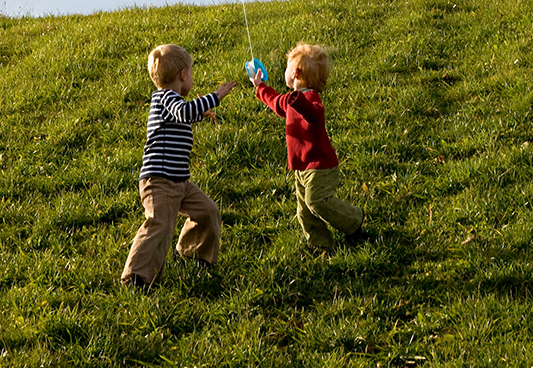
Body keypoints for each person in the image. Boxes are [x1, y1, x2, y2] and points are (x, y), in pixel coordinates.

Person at [121, 44, 237, 288]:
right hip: (159, 181)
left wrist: (200, 113)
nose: (191, 78)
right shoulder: (165, 98)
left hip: (180, 182)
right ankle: (136, 277)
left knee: (207, 210)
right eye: (191, 74)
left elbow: (182, 114)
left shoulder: (171, 103)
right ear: (183, 75)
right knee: (160, 224)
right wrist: (215, 97)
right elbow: (182, 111)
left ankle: (192, 254)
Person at [250, 42, 364, 250]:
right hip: (301, 167)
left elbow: (315, 114)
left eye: (286, 67)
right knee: (304, 211)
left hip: (320, 165)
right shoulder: (292, 99)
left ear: (295, 73)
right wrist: (260, 87)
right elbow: (276, 101)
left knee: (316, 202)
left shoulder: (310, 99)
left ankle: (354, 220)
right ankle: (321, 246)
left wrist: (296, 100)